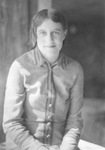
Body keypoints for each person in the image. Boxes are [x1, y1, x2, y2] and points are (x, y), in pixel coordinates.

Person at [3, 8, 84, 150]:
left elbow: (74, 120)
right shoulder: (20, 66)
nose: (49, 39)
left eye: (56, 33)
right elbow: (11, 123)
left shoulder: (75, 69)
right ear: (36, 34)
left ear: (64, 34)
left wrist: (67, 147)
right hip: (23, 146)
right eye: (43, 33)